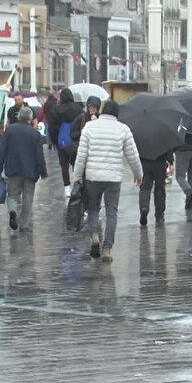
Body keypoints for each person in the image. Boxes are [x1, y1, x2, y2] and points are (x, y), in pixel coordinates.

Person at [71, 100, 142, 262]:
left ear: (102, 111)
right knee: (111, 213)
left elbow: (81, 155)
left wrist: (76, 176)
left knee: (93, 208)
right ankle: (107, 249)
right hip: (113, 178)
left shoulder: (89, 127)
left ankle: (95, 235)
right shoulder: (123, 129)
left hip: (92, 177)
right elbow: (133, 155)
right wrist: (138, 174)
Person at [0, 107, 48, 233]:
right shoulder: (35, 134)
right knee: (28, 197)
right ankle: (24, 225)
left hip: (13, 169)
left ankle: (12, 211)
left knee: (13, 195)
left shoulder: (9, 131)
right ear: (30, 119)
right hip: (30, 171)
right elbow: (39, 155)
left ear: (19, 117)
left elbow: (2, 151)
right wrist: (43, 172)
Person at [46, 88, 84, 197]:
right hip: (76, 141)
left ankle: (67, 187)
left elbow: (52, 128)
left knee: (64, 165)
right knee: (76, 163)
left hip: (61, 141)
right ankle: (77, 183)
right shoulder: (78, 109)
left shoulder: (56, 110)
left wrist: (54, 141)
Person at [138, 149, 175, 226]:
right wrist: (171, 162)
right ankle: (159, 214)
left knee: (145, 188)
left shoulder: (140, 136)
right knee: (160, 189)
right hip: (160, 163)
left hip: (144, 163)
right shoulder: (163, 136)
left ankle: (144, 208)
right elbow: (167, 147)